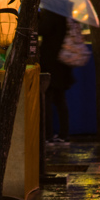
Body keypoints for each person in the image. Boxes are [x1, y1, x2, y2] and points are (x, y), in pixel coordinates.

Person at [38, 8, 72, 142]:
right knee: (60, 100)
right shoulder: (64, 13)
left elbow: (42, 29)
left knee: (47, 98)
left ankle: (48, 135)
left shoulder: (52, 13)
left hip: (51, 63)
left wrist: (38, 17)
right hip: (61, 63)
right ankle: (63, 134)